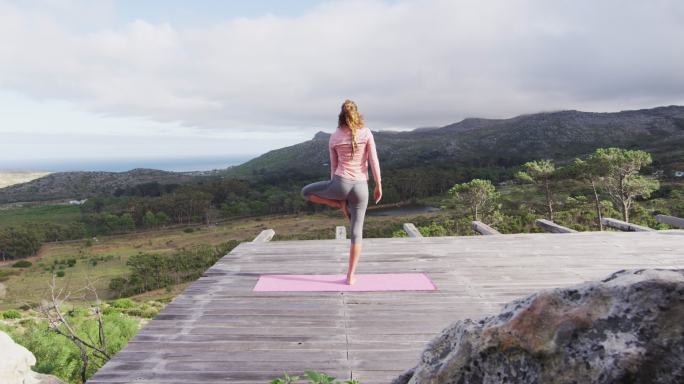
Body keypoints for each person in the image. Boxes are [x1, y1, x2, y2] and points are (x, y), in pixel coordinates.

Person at [301, 99, 382, 285]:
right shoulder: (366, 132)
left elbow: (334, 166)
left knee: (306, 192)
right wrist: (378, 184)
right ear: (357, 114)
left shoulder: (334, 136)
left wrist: (336, 194)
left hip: (340, 183)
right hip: (362, 187)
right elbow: (374, 161)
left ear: (341, 116)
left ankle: (338, 204)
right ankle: (351, 276)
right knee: (356, 232)